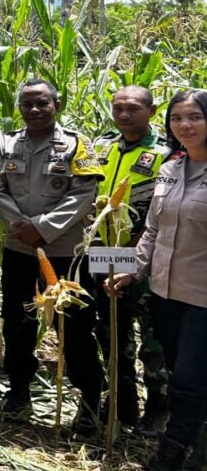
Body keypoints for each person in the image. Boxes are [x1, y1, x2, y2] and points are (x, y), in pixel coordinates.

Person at [0, 78, 104, 432]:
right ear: (19, 108)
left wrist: (42, 226)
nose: (35, 110)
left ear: (57, 103)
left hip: (65, 253)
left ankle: (88, 402)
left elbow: (85, 191)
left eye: (42, 103)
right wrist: (21, 225)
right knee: (17, 321)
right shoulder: (5, 144)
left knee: (76, 327)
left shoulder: (77, 145)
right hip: (19, 249)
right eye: (27, 105)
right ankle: (18, 391)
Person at [108, 90, 207, 471]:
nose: (185, 125)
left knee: (187, 379)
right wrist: (132, 269)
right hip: (166, 292)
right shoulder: (170, 168)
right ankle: (197, 450)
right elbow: (152, 231)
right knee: (184, 371)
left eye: (195, 117)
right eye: (178, 118)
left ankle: (171, 454)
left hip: (202, 296)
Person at [92, 86, 171, 433]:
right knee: (111, 332)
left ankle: (158, 407)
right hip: (105, 254)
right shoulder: (101, 147)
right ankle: (122, 400)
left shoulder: (166, 153)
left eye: (133, 109)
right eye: (118, 108)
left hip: (145, 257)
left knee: (153, 338)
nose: (124, 115)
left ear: (152, 111)